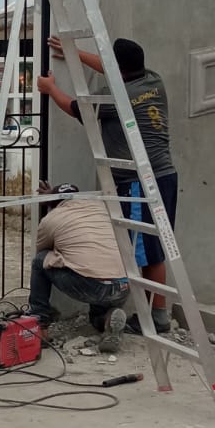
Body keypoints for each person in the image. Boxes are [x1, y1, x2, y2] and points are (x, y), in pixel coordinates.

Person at [37, 36, 177, 335]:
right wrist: (75, 53)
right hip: (164, 175)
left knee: (144, 250)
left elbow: (76, 108)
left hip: (138, 181)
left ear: (118, 67)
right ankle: (155, 313)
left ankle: (156, 317)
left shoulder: (116, 100)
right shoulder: (154, 80)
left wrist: (50, 89)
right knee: (154, 244)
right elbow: (109, 67)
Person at [28, 182, 129, 338]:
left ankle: (39, 325)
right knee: (96, 316)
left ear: (52, 203)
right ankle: (108, 319)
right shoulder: (101, 209)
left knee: (39, 261)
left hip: (92, 286)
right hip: (123, 286)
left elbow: (42, 250)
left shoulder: (52, 218)